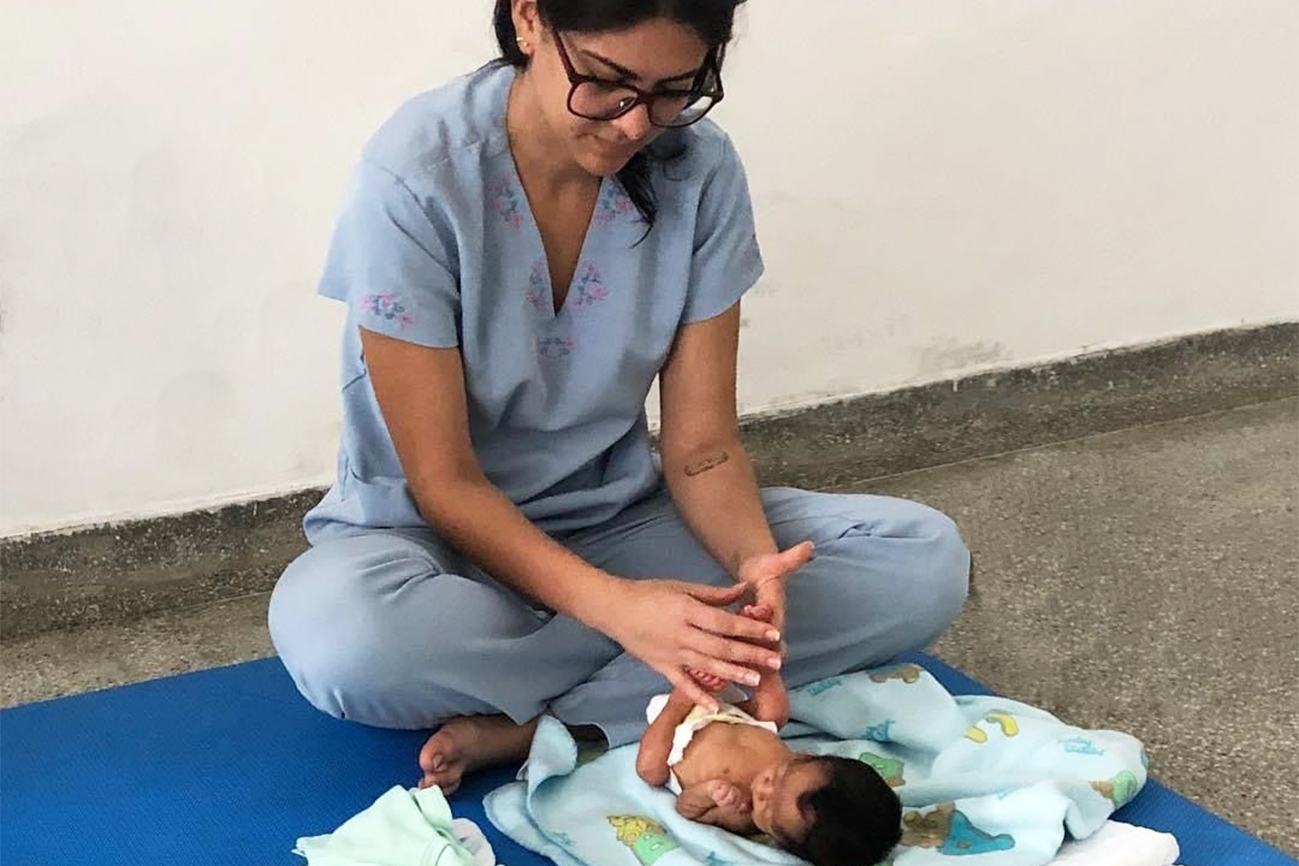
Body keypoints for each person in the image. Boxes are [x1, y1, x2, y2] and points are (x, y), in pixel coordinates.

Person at [268, 0, 970, 797]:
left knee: (924, 559)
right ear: (529, 20)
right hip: (432, 544)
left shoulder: (698, 169)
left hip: (617, 523)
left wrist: (754, 569)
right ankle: (668, 667)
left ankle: (551, 723)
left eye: (674, 91)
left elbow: (702, 450)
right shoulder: (416, 176)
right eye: (607, 84)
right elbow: (444, 485)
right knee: (345, 643)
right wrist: (624, 614)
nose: (638, 125)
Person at [636, 629, 901, 866]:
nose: (764, 788)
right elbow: (767, 725)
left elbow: (686, 808)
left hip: (675, 737)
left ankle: (678, 700)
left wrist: (709, 793)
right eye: (782, 774)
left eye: (769, 809)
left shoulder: (740, 815)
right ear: (807, 757)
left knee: (649, 770)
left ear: (778, 840)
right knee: (776, 713)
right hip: (732, 713)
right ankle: (763, 663)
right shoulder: (800, 766)